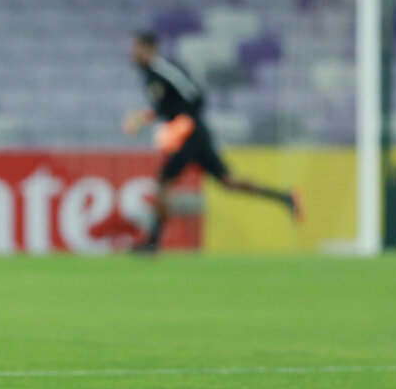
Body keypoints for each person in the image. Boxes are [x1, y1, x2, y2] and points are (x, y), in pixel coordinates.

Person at [124, 31, 299, 252]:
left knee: (164, 183)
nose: (132, 53)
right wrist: (143, 118)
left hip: (191, 135)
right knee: (228, 182)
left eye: (136, 48)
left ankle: (153, 244)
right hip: (192, 136)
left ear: (150, 49)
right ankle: (285, 198)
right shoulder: (149, 75)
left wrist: (182, 123)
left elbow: (195, 95)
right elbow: (165, 107)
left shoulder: (164, 69)